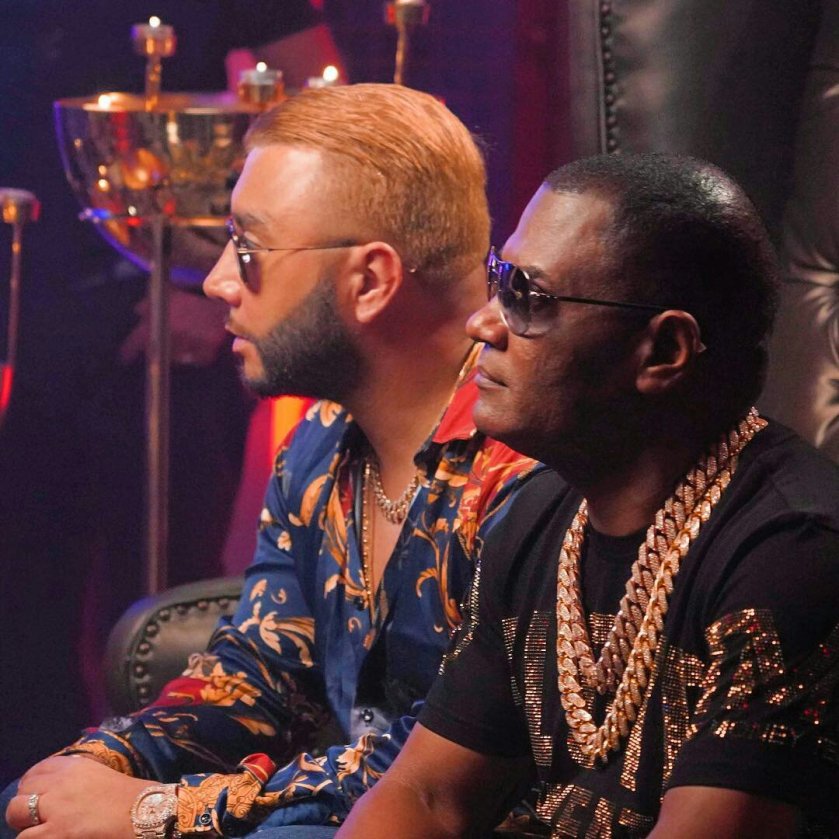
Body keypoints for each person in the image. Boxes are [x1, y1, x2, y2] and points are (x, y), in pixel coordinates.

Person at [2, 84, 535, 838]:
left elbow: (424, 781)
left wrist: (152, 812)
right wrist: (98, 765)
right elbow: (255, 676)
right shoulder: (319, 440)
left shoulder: (529, 469)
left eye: (247, 249)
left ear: (370, 281)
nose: (217, 280)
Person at [337, 153, 839, 837]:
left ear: (663, 351)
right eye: (500, 280)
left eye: (530, 297)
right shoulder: (535, 517)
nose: (483, 324)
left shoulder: (794, 553)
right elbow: (426, 795)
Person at [0, 0, 343, 776]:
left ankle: (157, 798)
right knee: (19, 605)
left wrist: (210, 285)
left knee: (162, 607)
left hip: (159, 319)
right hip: (28, 308)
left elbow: (320, 120)